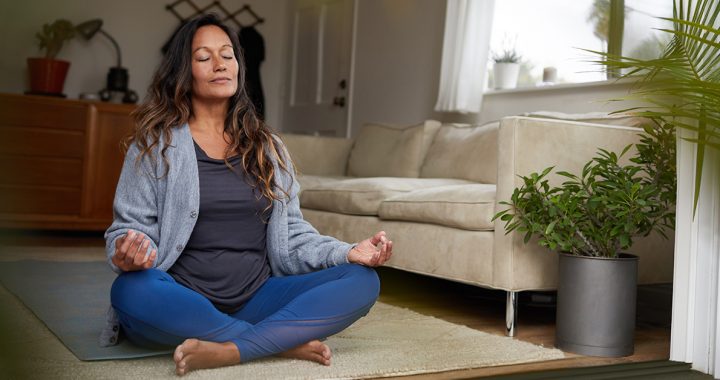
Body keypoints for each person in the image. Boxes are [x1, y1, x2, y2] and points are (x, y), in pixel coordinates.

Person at [102, 13, 393, 376]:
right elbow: (126, 230)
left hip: (259, 298)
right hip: (182, 298)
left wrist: (347, 252)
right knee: (130, 291)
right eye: (204, 57)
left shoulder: (268, 147)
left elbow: (294, 236)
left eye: (227, 54)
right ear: (183, 70)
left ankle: (230, 349)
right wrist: (130, 252)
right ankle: (279, 341)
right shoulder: (154, 145)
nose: (220, 64)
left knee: (361, 280)